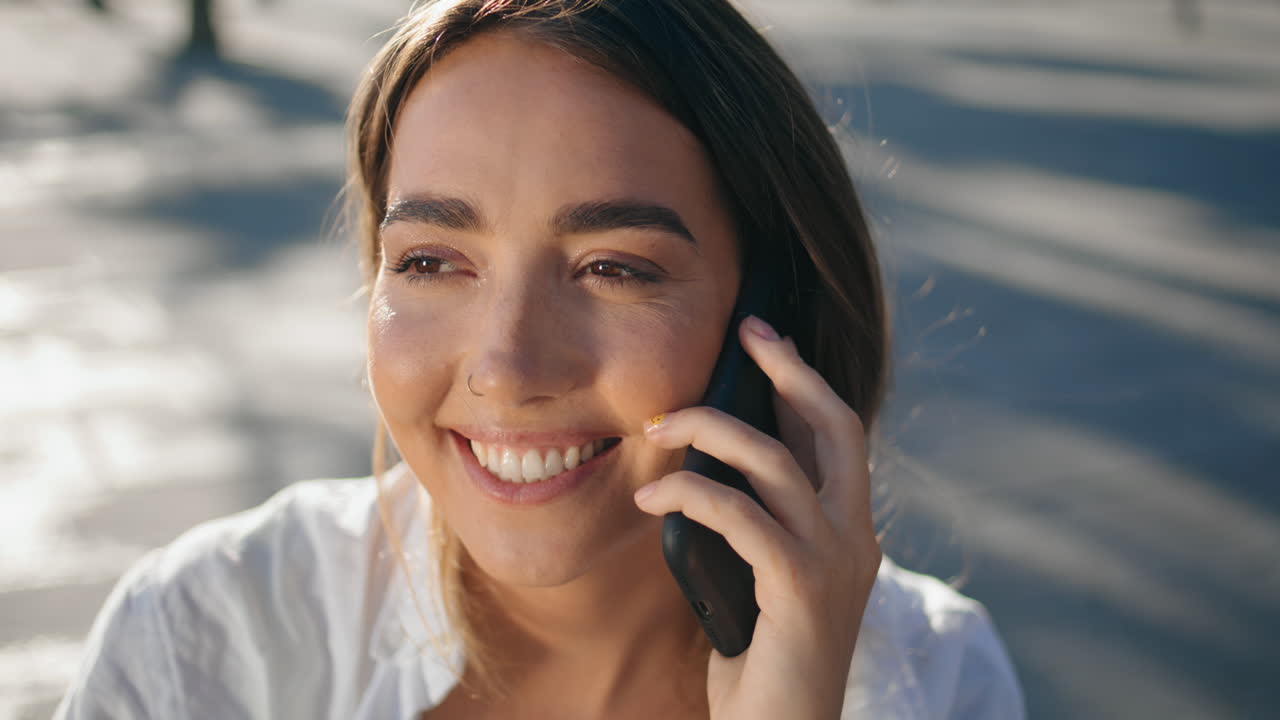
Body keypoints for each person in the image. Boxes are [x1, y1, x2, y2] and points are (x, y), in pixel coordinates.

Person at [54, 0, 1025, 717]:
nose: (508, 368)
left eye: (612, 268)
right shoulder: (208, 641)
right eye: (431, 261)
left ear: (769, 315)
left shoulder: (930, 680)